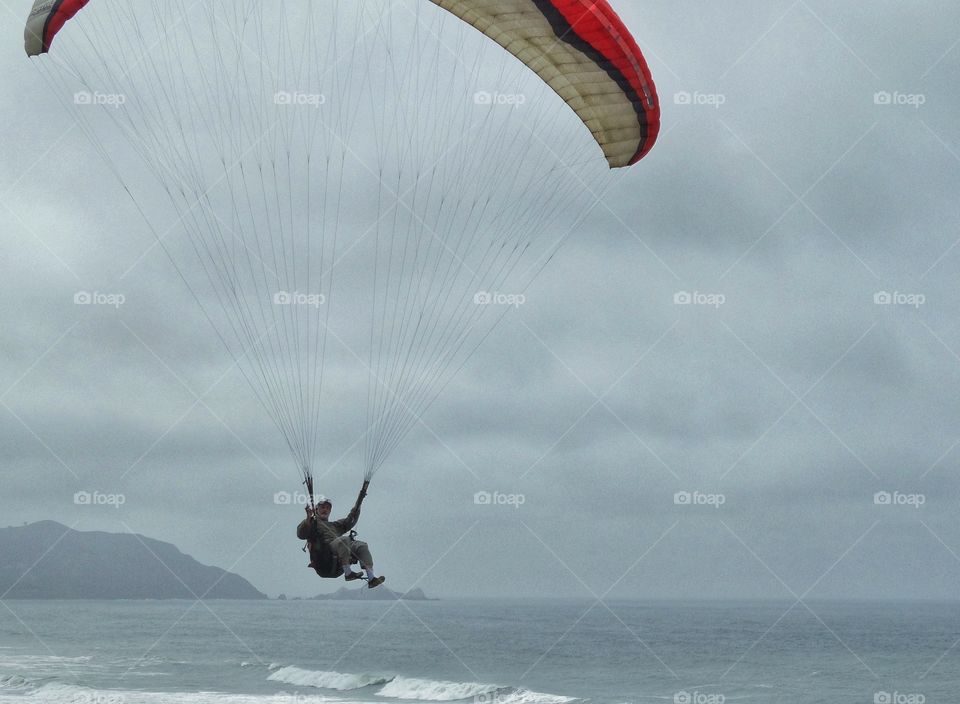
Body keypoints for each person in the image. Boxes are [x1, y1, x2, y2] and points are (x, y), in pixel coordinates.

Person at [296, 481, 385, 588]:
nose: (325, 510)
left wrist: (360, 499)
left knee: (361, 546)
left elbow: (350, 520)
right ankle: (348, 573)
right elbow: (300, 534)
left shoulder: (335, 526)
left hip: (337, 564)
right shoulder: (312, 523)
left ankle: (371, 578)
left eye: (328, 508)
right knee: (344, 540)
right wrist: (308, 520)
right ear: (316, 509)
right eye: (322, 507)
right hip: (324, 560)